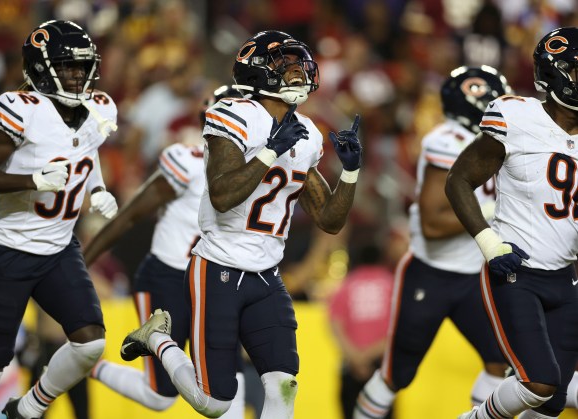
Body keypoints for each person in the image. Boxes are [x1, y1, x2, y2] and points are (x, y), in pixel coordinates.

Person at [117, 30, 362, 418]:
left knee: (283, 387)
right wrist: (270, 150)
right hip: (218, 269)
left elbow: (329, 220)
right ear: (259, 72)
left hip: (267, 276)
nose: (299, 72)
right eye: (287, 64)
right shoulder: (231, 115)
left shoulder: (308, 133)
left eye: (302, 64)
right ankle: (159, 340)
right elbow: (222, 193)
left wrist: (350, 173)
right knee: (214, 402)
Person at [0, 20, 118, 419]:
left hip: (59, 249)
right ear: (41, 68)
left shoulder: (97, 108)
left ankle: (28, 408)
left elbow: (87, 149)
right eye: (68, 66)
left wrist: (96, 189)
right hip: (9, 252)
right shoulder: (21, 110)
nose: (78, 75)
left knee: (90, 343)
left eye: (83, 66)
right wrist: (30, 179)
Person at [353, 66, 511, 419]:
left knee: (502, 362)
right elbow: (434, 225)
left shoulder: (500, 140)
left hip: (476, 277)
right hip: (431, 275)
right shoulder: (447, 141)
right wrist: (491, 209)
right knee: (395, 375)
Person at [84, 85, 246, 418]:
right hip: (168, 279)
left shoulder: (259, 174)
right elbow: (131, 215)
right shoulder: (188, 161)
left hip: (215, 283)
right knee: (161, 396)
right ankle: (87, 367)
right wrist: (81, 263)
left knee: (228, 374)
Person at [446, 27, 578, 419]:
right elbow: (459, 180)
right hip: (517, 269)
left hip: (566, 277)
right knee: (537, 381)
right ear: (554, 73)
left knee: (550, 404)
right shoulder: (516, 115)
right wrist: (489, 243)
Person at [328, 244, 394, 419]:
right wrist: (368, 356)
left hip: (351, 366)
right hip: (381, 366)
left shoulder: (347, 284)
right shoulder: (391, 284)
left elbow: (335, 324)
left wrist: (356, 358)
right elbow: (397, 328)